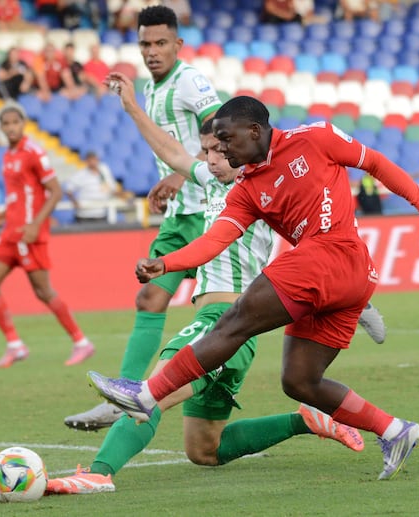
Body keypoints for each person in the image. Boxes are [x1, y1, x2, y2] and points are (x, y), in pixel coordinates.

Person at [87, 95, 419, 481]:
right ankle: (394, 430)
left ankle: (146, 395)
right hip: (348, 277)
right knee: (300, 381)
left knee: (234, 321)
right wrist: (167, 263)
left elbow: (374, 162)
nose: (222, 148)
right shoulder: (245, 189)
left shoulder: (316, 138)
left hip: (332, 254)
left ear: (255, 131)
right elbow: (215, 240)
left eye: (227, 139)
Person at [45, 74, 364, 494]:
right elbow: (172, 153)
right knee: (204, 449)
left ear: (242, 148)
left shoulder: (263, 195)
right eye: (208, 150)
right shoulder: (214, 184)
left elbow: (317, 251)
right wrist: (132, 108)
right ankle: (305, 419)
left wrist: (351, 299)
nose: (212, 158)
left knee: (150, 395)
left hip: (223, 322)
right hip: (230, 335)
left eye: (220, 149)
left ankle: (99, 473)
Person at [63, 4, 223, 431]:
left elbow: (222, 132)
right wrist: (167, 183)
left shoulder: (190, 81)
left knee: (243, 303)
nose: (152, 51)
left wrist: (178, 174)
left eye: (160, 43)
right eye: (145, 44)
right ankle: (123, 396)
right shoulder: (151, 89)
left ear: (178, 44)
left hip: (210, 212)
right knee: (150, 297)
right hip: (180, 215)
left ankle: (339, 296)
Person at [0, 102, 95, 368]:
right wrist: (5, 213)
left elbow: (55, 191)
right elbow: (20, 193)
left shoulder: (34, 152)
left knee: (43, 292)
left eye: (15, 122)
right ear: (1, 127)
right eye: (6, 123)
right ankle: (15, 345)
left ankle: (81, 342)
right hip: (10, 232)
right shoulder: (8, 155)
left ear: (23, 124)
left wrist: (35, 224)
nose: (11, 127)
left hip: (29, 235)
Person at [62, 150, 131, 222]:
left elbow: (111, 190)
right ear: (86, 161)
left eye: (94, 159)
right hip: (84, 215)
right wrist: (74, 202)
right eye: (90, 160)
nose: (92, 162)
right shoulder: (81, 174)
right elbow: (68, 189)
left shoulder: (104, 171)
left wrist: (123, 195)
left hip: (101, 213)